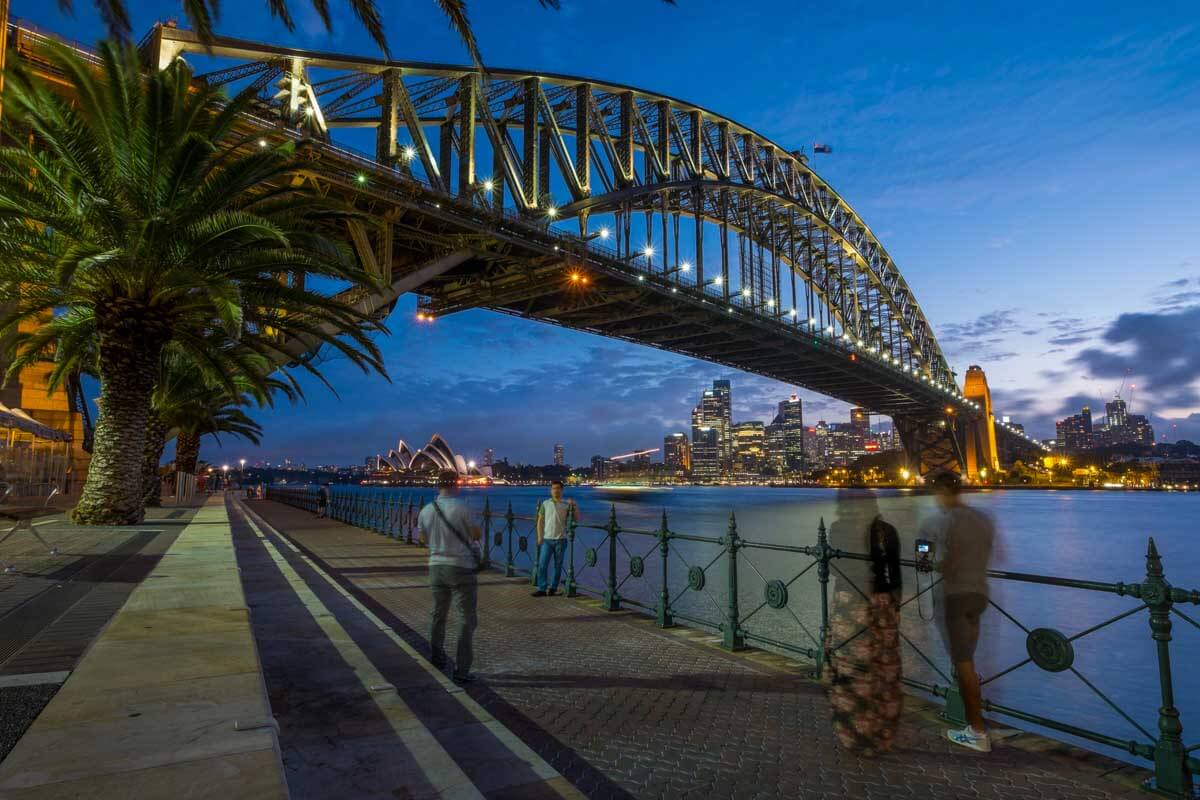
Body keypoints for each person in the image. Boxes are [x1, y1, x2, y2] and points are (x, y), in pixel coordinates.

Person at [823, 488, 904, 756]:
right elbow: (895, 574)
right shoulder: (887, 531)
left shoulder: (838, 528)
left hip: (849, 605)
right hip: (881, 605)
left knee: (849, 669)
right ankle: (882, 733)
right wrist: (895, 606)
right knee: (883, 668)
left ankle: (854, 733)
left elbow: (834, 568)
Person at [921, 470, 997, 753]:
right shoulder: (983, 519)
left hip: (955, 597)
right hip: (979, 594)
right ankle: (975, 724)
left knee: (963, 664)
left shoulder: (938, 521)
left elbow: (929, 561)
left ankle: (977, 731)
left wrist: (929, 561)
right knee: (967, 660)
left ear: (940, 491)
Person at [417, 471, 482, 682]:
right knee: (466, 618)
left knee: (438, 614)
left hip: (436, 567)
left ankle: (437, 658)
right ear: (456, 484)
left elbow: (422, 539)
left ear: (438, 486)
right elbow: (476, 535)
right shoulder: (463, 508)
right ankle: (462, 670)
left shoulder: (426, 510)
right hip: (461, 567)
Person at [531, 480, 578, 597]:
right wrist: (540, 536)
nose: (556, 491)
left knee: (558, 566)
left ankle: (553, 588)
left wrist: (574, 505)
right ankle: (542, 588)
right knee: (542, 564)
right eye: (553, 488)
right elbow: (540, 521)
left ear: (562, 490)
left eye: (558, 488)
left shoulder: (566, 505)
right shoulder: (545, 504)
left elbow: (576, 519)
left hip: (561, 539)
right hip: (547, 539)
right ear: (551, 491)